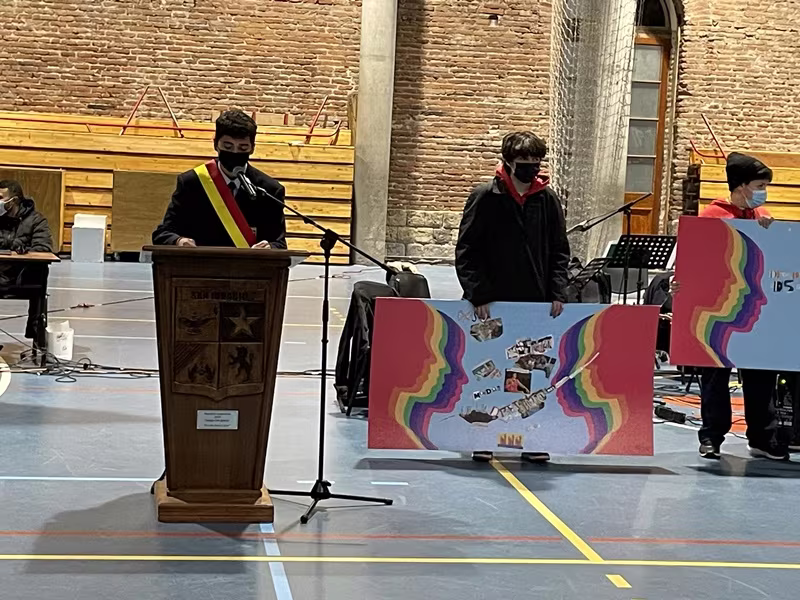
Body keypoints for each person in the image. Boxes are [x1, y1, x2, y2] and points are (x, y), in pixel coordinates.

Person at [456, 131, 571, 463]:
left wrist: (557, 292)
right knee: (488, 372)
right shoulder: (484, 197)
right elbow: (466, 251)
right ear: (507, 162)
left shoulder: (547, 200)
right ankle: (483, 436)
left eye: (536, 162)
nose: (531, 169)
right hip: (490, 303)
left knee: (527, 374)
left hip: (534, 304)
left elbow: (560, 251)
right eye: (524, 163)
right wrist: (479, 294)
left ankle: (529, 439)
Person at [673, 152, 787, 461]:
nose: (764, 192)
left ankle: (761, 437)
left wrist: (771, 231)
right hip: (718, 308)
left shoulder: (761, 216)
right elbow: (691, 262)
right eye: (760, 186)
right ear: (741, 186)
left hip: (755, 309)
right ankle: (711, 436)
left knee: (760, 373)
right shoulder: (712, 217)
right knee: (715, 375)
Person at [153, 109, 287, 249]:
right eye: (228, 146)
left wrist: (269, 247)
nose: (235, 153)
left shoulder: (269, 190)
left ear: (252, 148)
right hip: (200, 261)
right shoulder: (192, 183)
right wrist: (179, 241)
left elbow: (279, 243)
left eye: (243, 148)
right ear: (215, 144)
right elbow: (163, 234)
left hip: (247, 263)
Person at [0, 180, 53, 339]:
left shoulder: (37, 220)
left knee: (41, 271)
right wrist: (10, 244)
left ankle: (35, 330)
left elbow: (44, 248)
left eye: (1, 197)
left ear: (14, 200)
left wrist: (22, 249)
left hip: (23, 277)